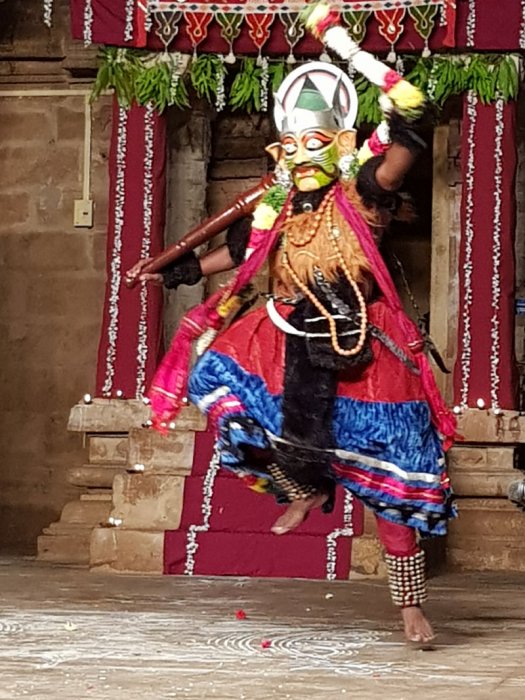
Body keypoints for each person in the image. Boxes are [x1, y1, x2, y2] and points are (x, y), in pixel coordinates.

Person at [126, 3, 456, 644]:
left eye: (316, 143)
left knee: (393, 476)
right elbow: (240, 255)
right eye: (293, 146)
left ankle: (410, 605)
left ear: (341, 145)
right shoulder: (276, 206)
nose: (303, 155)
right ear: (280, 150)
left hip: (359, 338)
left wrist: (351, 54)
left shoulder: (364, 191)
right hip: (286, 330)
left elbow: (409, 124)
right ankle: (302, 487)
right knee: (219, 381)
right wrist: (174, 272)